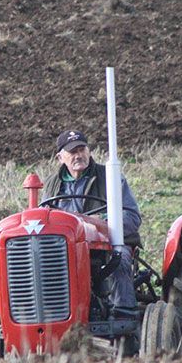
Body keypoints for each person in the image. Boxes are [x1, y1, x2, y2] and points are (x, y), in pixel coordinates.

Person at [41, 129, 141, 320]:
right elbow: (46, 218)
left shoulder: (109, 177)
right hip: (66, 248)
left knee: (118, 260)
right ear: (60, 157)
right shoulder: (53, 184)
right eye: (72, 151)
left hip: (104, 245)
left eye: (82, 149)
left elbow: (132, 216)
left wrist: (103, 225)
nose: (79, 155)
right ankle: (52, 315)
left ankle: (124, 317)